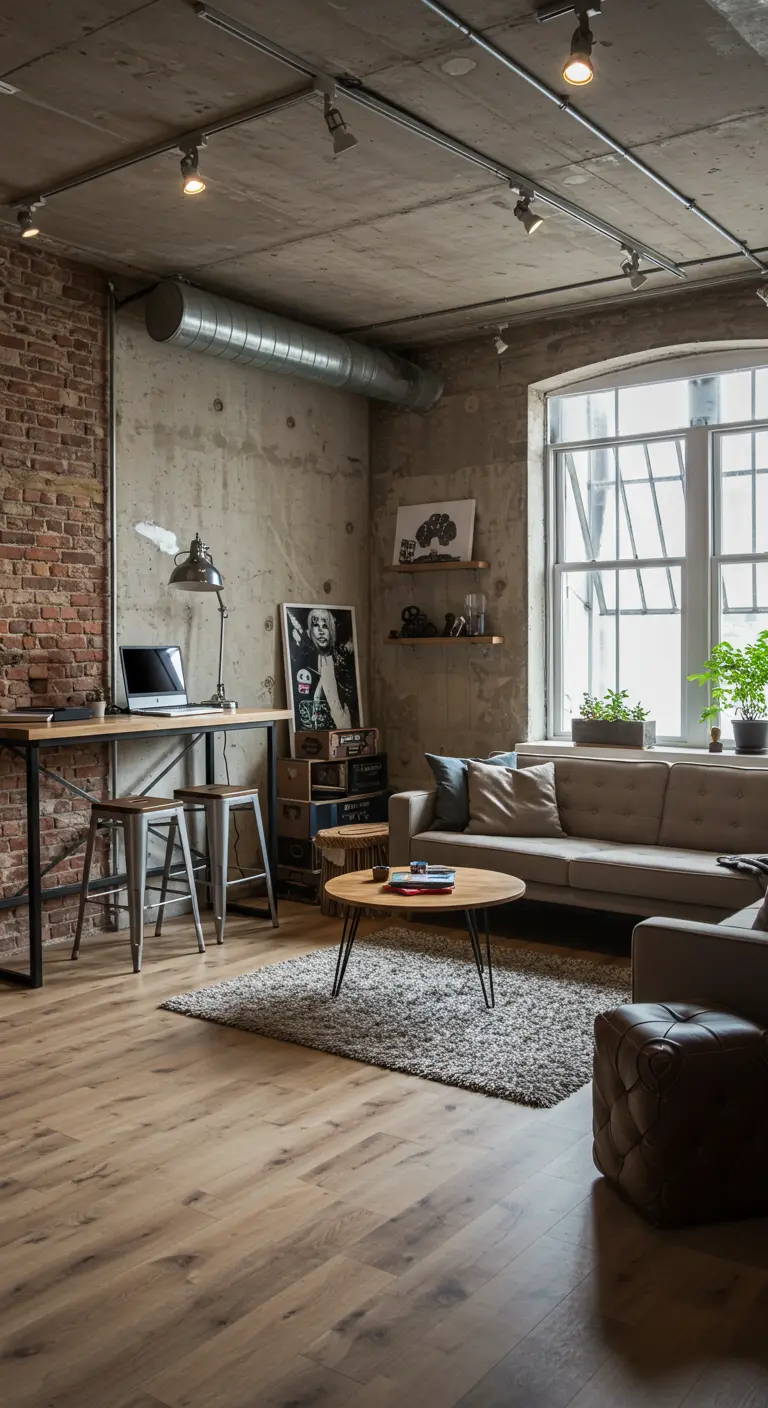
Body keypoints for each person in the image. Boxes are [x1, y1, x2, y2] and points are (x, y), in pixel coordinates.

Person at [288, 608, 359, 729]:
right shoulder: (307, 659)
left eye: (325, 626)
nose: (321, 631)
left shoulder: (342, 657)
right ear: (310, 631)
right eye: (316, 626)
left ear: (332, 630)